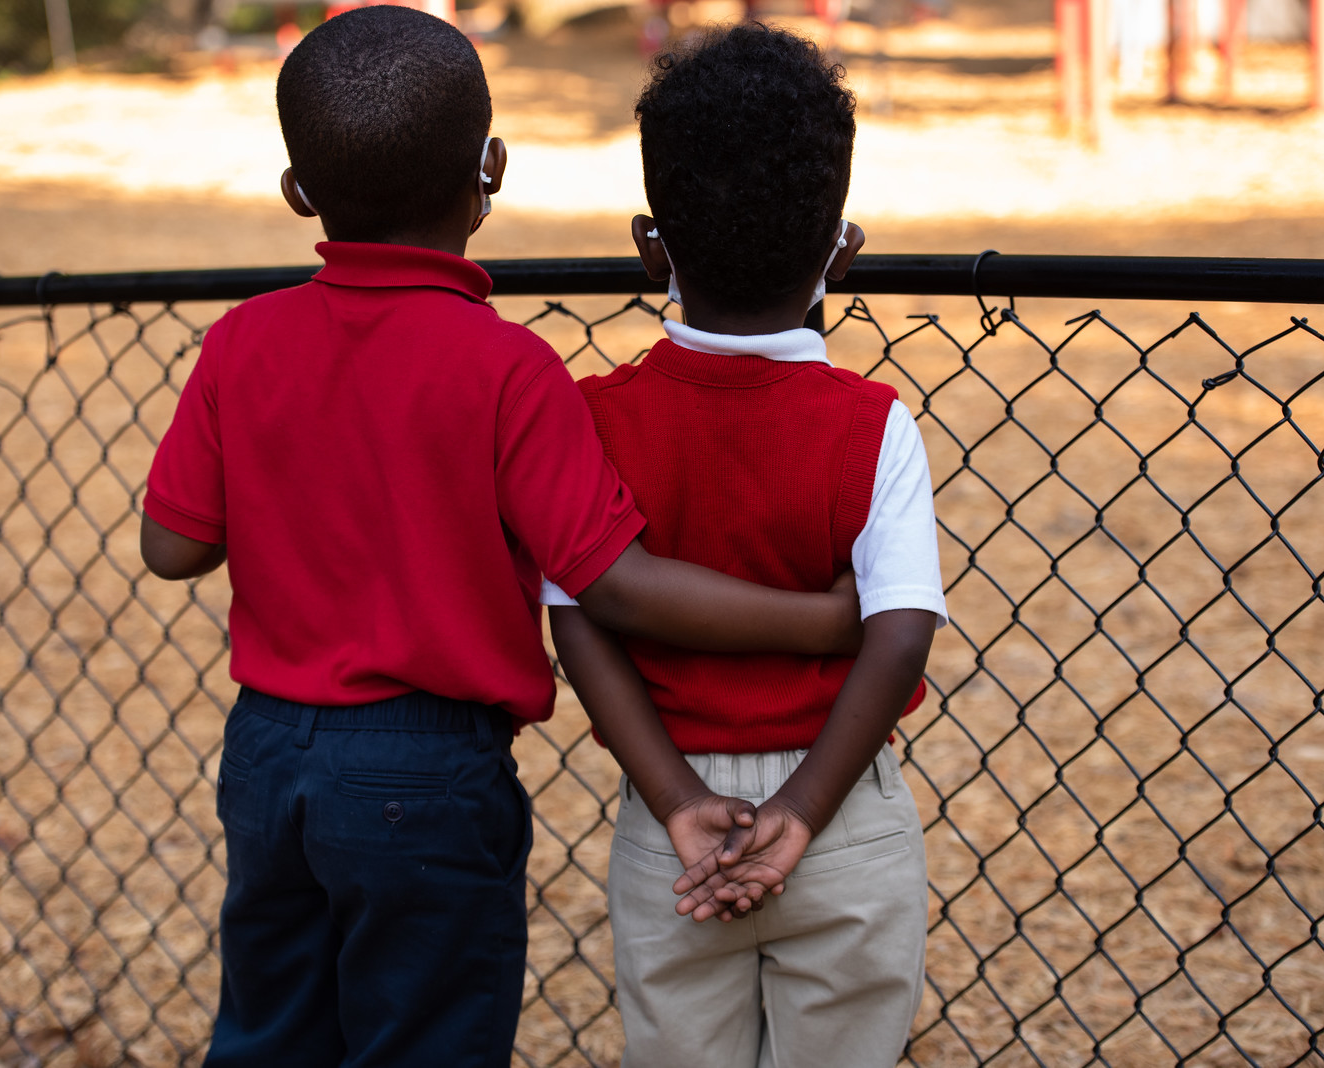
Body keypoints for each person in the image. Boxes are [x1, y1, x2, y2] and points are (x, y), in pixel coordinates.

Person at [138, 8, 866, 1066]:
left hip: (267, 756)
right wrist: (821, 621)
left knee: (271, 1028)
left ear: (299, 192)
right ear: (492, 172)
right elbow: (612, 583)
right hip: (424, 771)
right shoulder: (506, 371)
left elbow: (171, 546)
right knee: (425, 1037)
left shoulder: (243, 340)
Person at [543, 23, 948, 1068]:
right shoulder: (873, 425)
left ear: (649, 245)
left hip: (668, 820)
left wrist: (679, 800)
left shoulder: (592, 419)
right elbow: (899, 636)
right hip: (842, 809)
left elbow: (576, 626)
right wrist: (802, 815)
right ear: (842, 250)